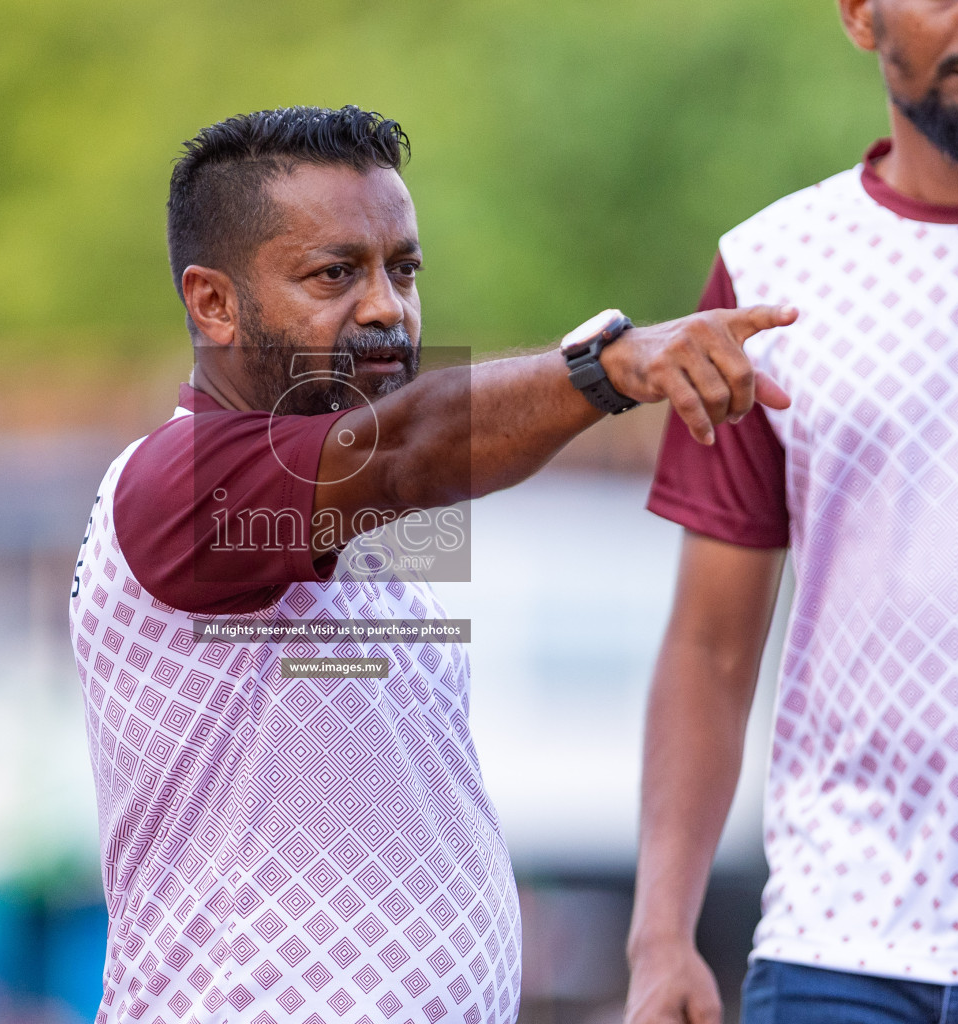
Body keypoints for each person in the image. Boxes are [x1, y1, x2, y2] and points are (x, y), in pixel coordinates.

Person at [69, 104, 794, 1024]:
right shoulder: (181, 477)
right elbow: (415, 444)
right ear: (213, 302)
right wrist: (607, 369)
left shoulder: (361, 525)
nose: (386, 307)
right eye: (335, 274)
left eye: (402, 269)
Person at [625, 1, 958, 1023]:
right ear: (858, 15)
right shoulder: (771, 272)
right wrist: (660, 937)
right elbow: (711, 645)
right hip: (839, 948)